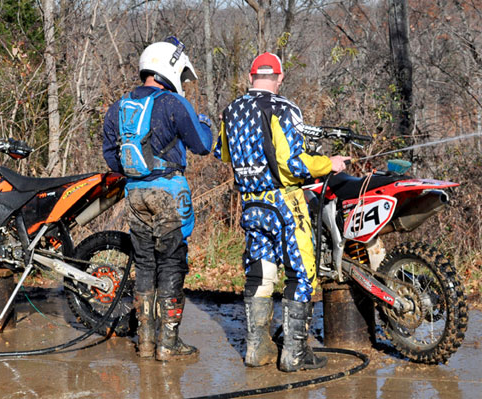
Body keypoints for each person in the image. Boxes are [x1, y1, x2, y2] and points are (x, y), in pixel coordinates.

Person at [214, 52, 350, 372]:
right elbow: (294, 165)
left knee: (259, 273)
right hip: (283, 202)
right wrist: (328, 164)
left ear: (251, 77)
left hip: (250, 203)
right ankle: (295, 354)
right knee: (301, 273)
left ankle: (256, 349)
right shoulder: (282, 108)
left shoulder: (231, 110)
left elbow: (222, 153)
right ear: (280, 77)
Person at [102, 37, 213, 361]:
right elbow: (202, 145)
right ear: (171, 68)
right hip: (168, 191)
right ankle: (169, 343)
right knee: (172, 262)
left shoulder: (118, 107)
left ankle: (146, 340)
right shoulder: (172, 103)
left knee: (146, 264)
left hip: (134, 193)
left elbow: (112, 157)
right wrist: (203, 123)